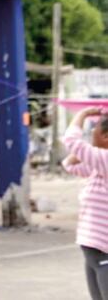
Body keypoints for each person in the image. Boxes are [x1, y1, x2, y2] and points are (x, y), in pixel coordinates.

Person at [62, 106, 108, 300]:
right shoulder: (100, 165)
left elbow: (71, 141)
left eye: (93, 130)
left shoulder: (106, 160)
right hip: (93, 249)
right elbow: (69, 164)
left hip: (103, 249)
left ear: (106, 137)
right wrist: (91, 147)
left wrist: (82, 115)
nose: (89, 135)